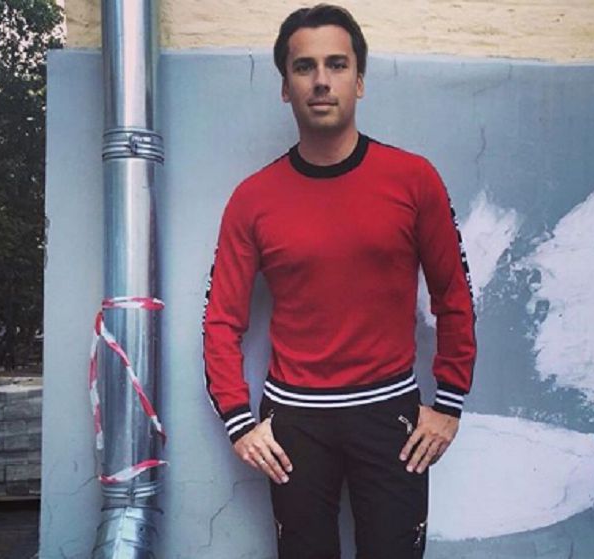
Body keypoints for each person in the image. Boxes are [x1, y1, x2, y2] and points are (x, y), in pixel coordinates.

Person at [202, 4, 476, 558]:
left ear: (360, 80)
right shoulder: (253, 199)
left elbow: (453, 296)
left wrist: (448, 405)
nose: (321, 80)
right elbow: (221, 320)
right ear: (286, 87)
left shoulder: (414, 180)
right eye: (304, 67)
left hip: (391, 415)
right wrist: (239, 421)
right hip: (294, 422)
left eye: (337, 64)